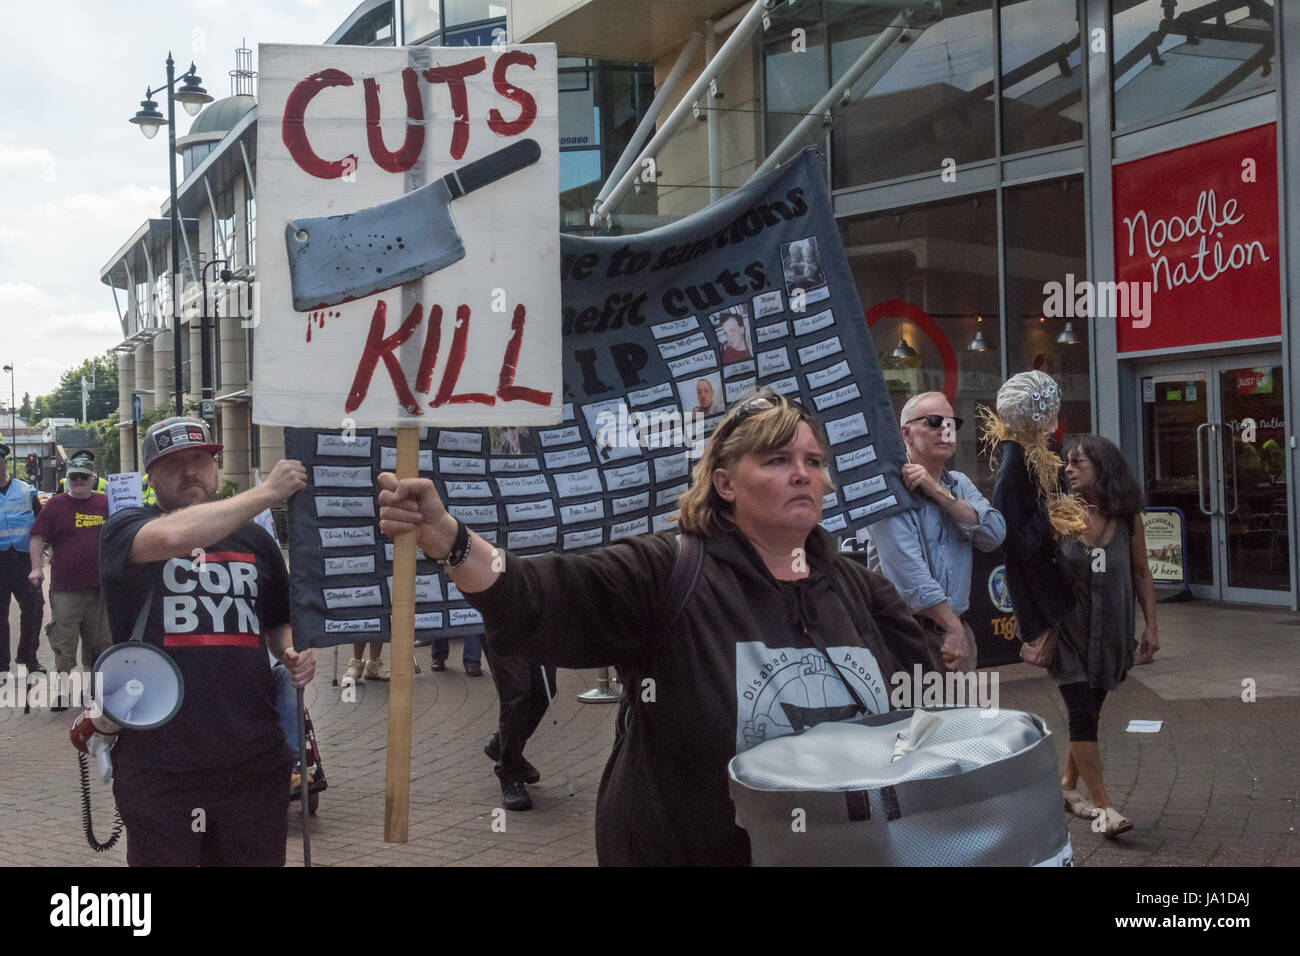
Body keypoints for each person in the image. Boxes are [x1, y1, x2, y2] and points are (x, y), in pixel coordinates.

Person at [377, 390, 938, 865]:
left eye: (814, 462)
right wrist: (449, 539)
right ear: (724, 484)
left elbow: (921, 714)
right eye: (775, 460)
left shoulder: (859, 588)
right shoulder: (669, 571)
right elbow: (540, 591)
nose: (802, 474)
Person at [85, 416, 314, 866]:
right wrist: (269, 492)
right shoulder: (127, 527)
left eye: (199, 459)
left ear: (215, 464)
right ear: (150, 475)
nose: (189, 471)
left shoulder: (256, 540)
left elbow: (276, 619)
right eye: (173, 464)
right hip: (160, 763)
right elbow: (173, 536)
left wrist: (290, 651)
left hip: (252, 757)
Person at [1053, 435, 1158, 836]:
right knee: (1081, 712)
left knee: (1089, 715)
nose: (1069, 469)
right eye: (1067, 463)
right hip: (1068, 633)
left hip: (1111, 633)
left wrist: (1151, 625)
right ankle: (1104, 807)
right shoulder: (1059, 516)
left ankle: (1066, 787)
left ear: (1103, 467)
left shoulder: (1127, 518)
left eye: (1078, 462)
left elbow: (1141, 573)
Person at [870, 392, 1005, 672]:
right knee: (917, 717)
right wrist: (953, 627)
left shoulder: (958, 483)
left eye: (952, 423)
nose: (946, 430)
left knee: (962, 716)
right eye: (934, 421)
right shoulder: (889, 489)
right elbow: (908, 574)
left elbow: (995, 534)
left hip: (957, 629)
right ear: (906, 433)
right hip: (906, 633)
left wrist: (939, 493)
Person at [28, 451, 111, 710]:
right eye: (74, 476)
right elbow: (38, 538)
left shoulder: (107, 503)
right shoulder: (55, 505)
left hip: (101, 589)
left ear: (93, 479)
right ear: (67, 478)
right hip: (66, 590)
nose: (78, 480)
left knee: (99, 645)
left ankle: (93, 692)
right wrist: (36, 568)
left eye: (83, 476)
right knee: (64, 644)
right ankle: (62, 693)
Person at [481, 647, 553, 811]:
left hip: (541, 627)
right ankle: (509, 772)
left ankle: (501, 745)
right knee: (517, 693)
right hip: (504, 626)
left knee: (545, 689)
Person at [0, 442, 44, 674]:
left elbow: (42, 523)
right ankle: (1, 667)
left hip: (25, 560)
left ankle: (28, 658)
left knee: (35, 609)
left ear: (5, 462)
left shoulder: (26, 490)